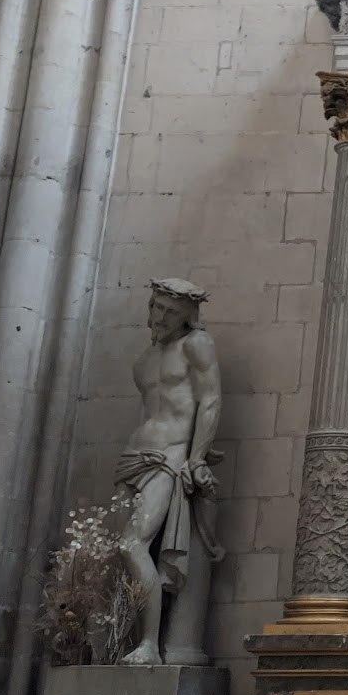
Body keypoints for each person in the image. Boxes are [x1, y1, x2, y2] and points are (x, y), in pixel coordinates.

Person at [113, 278, 222, 667]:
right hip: (135, 455)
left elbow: (211, 400)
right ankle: (122, 640)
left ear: (188, 315)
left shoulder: (196, 344)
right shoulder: (147, 357)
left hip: (170, 456)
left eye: (170, 311)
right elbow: (150, 408)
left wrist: (197, 457)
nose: (159, 316)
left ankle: (149, 645)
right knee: (118, 551)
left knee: (132, 544)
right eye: (155, 306)